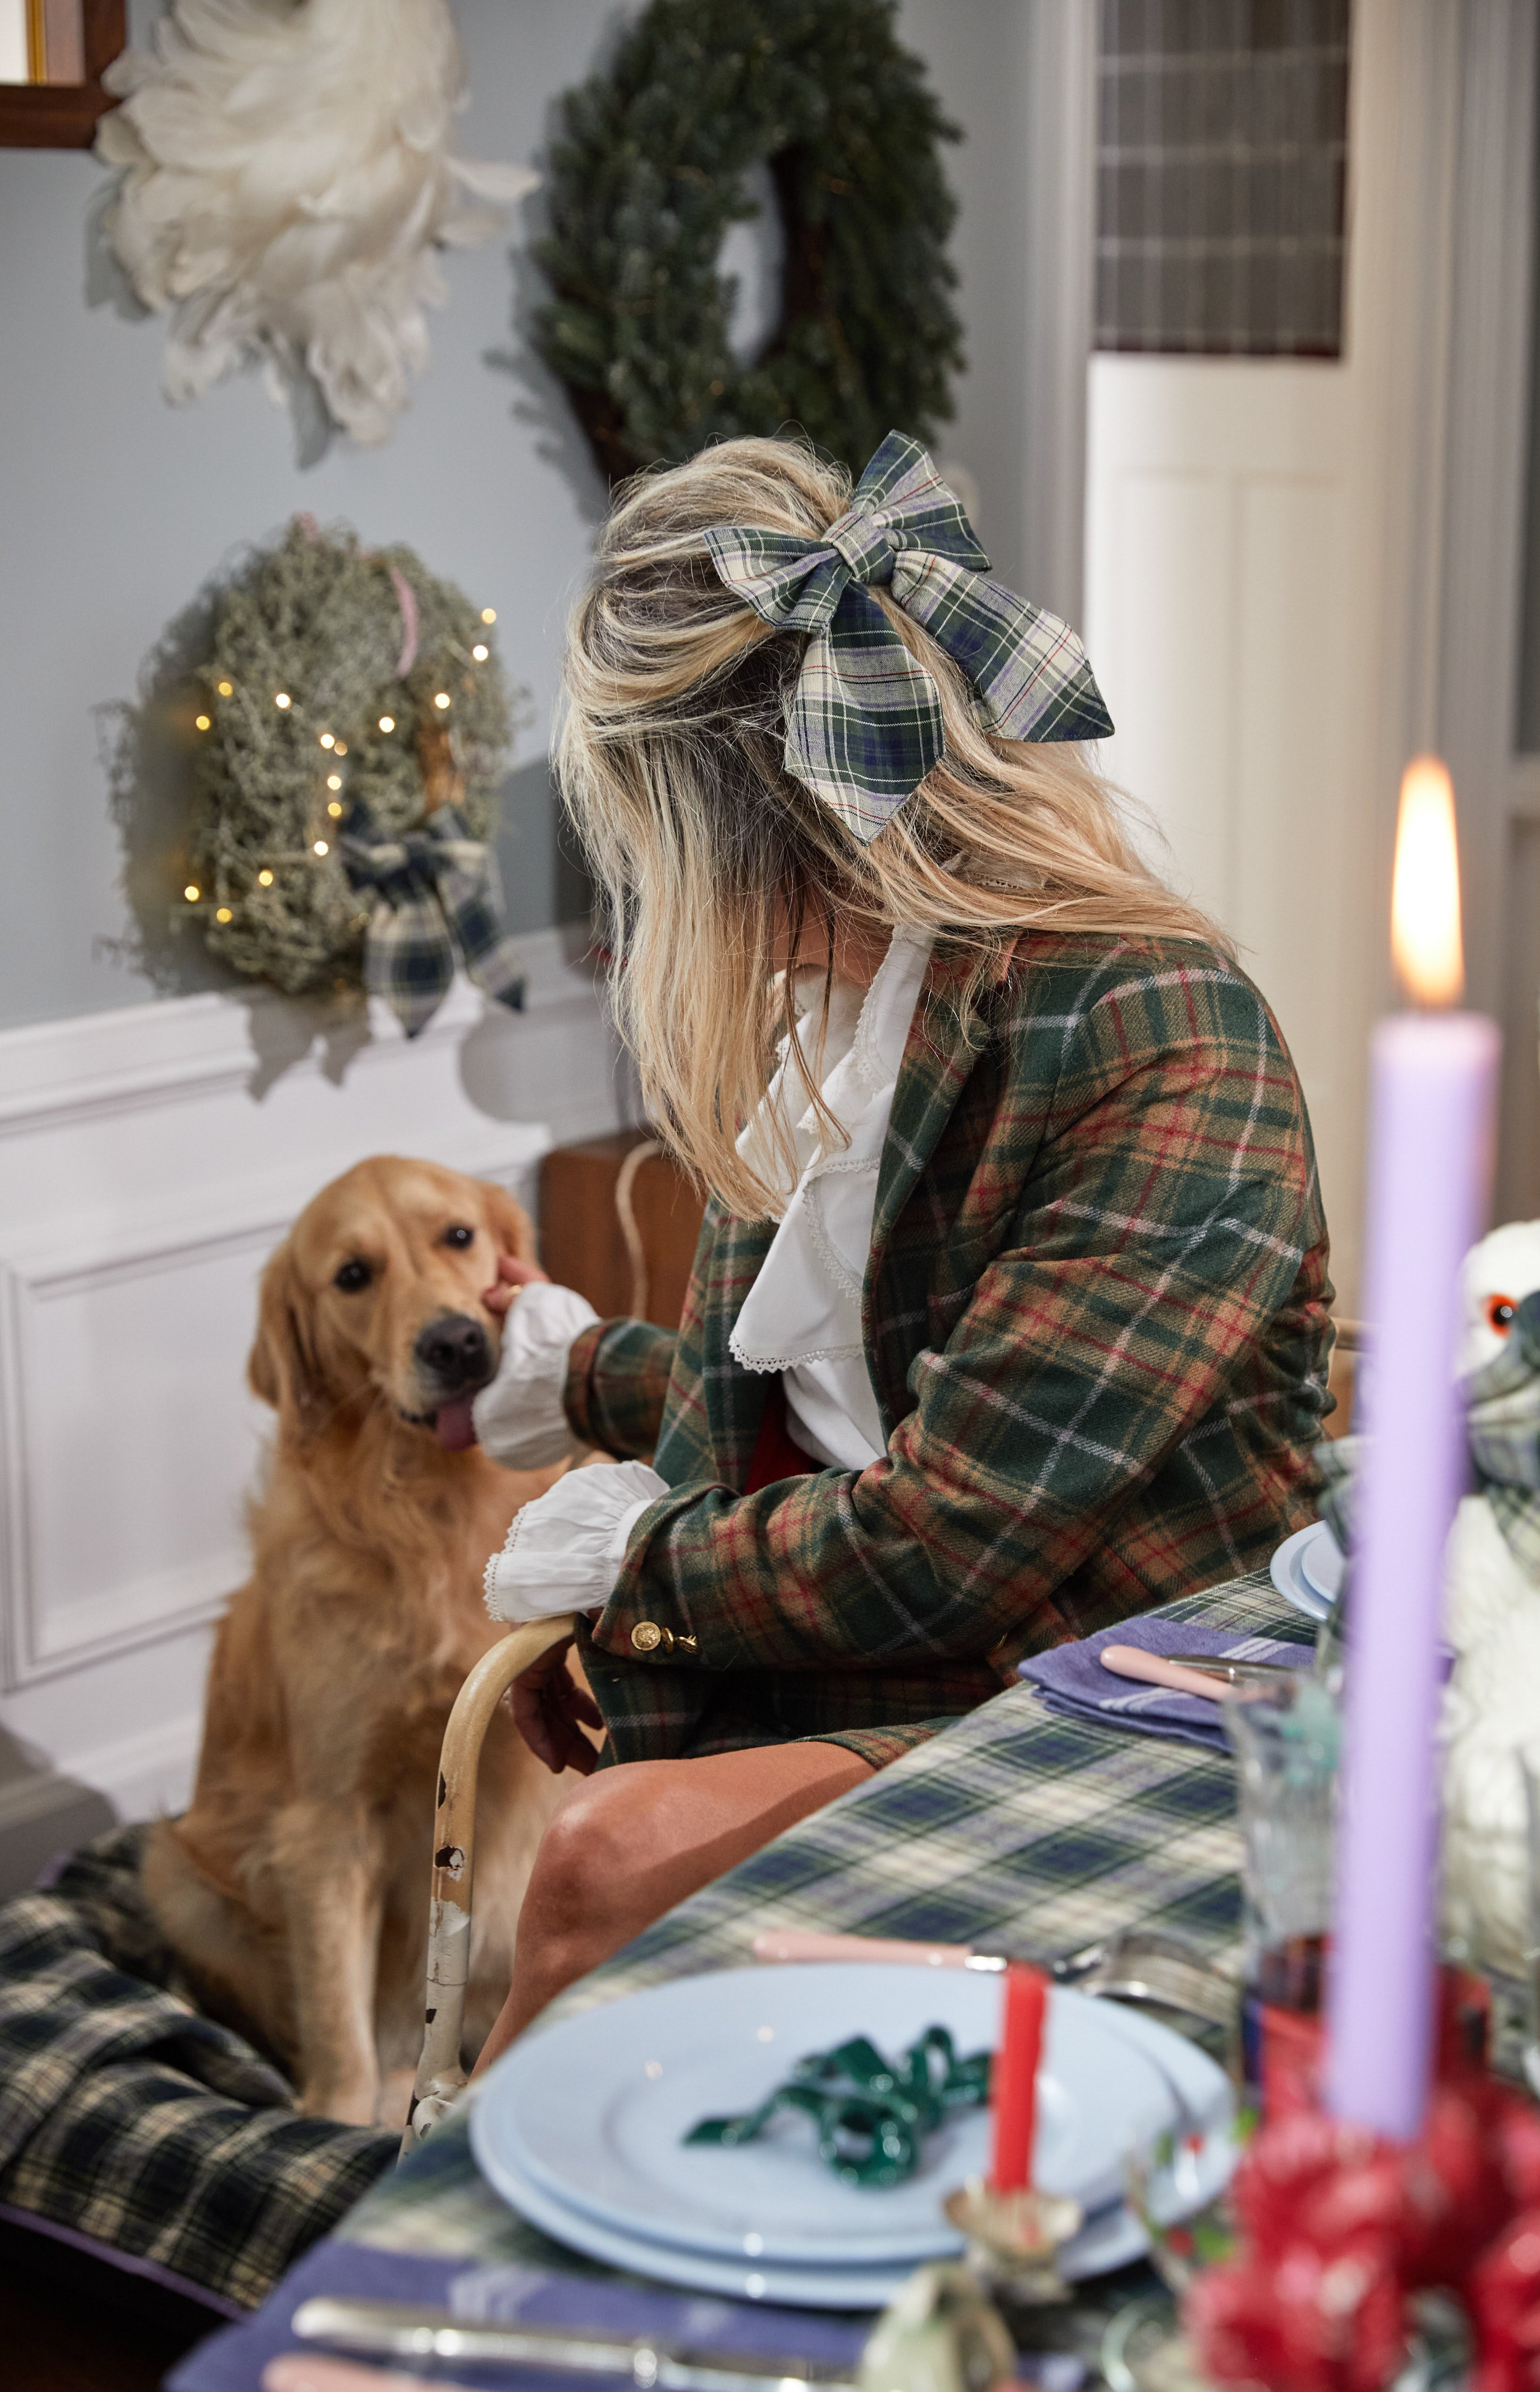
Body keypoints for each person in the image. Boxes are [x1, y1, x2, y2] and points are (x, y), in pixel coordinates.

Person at [467, 430, 1332, 2071]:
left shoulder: (1157, 1031)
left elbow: (948, 1532)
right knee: (606, 1854)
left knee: (594, 1869)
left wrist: (635, 1578)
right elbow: (858, 1389)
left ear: (723, 818)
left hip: (1113, 1694)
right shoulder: (843, 1008)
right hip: (933, 1647)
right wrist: (575, 1374)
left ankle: (455, 2286)